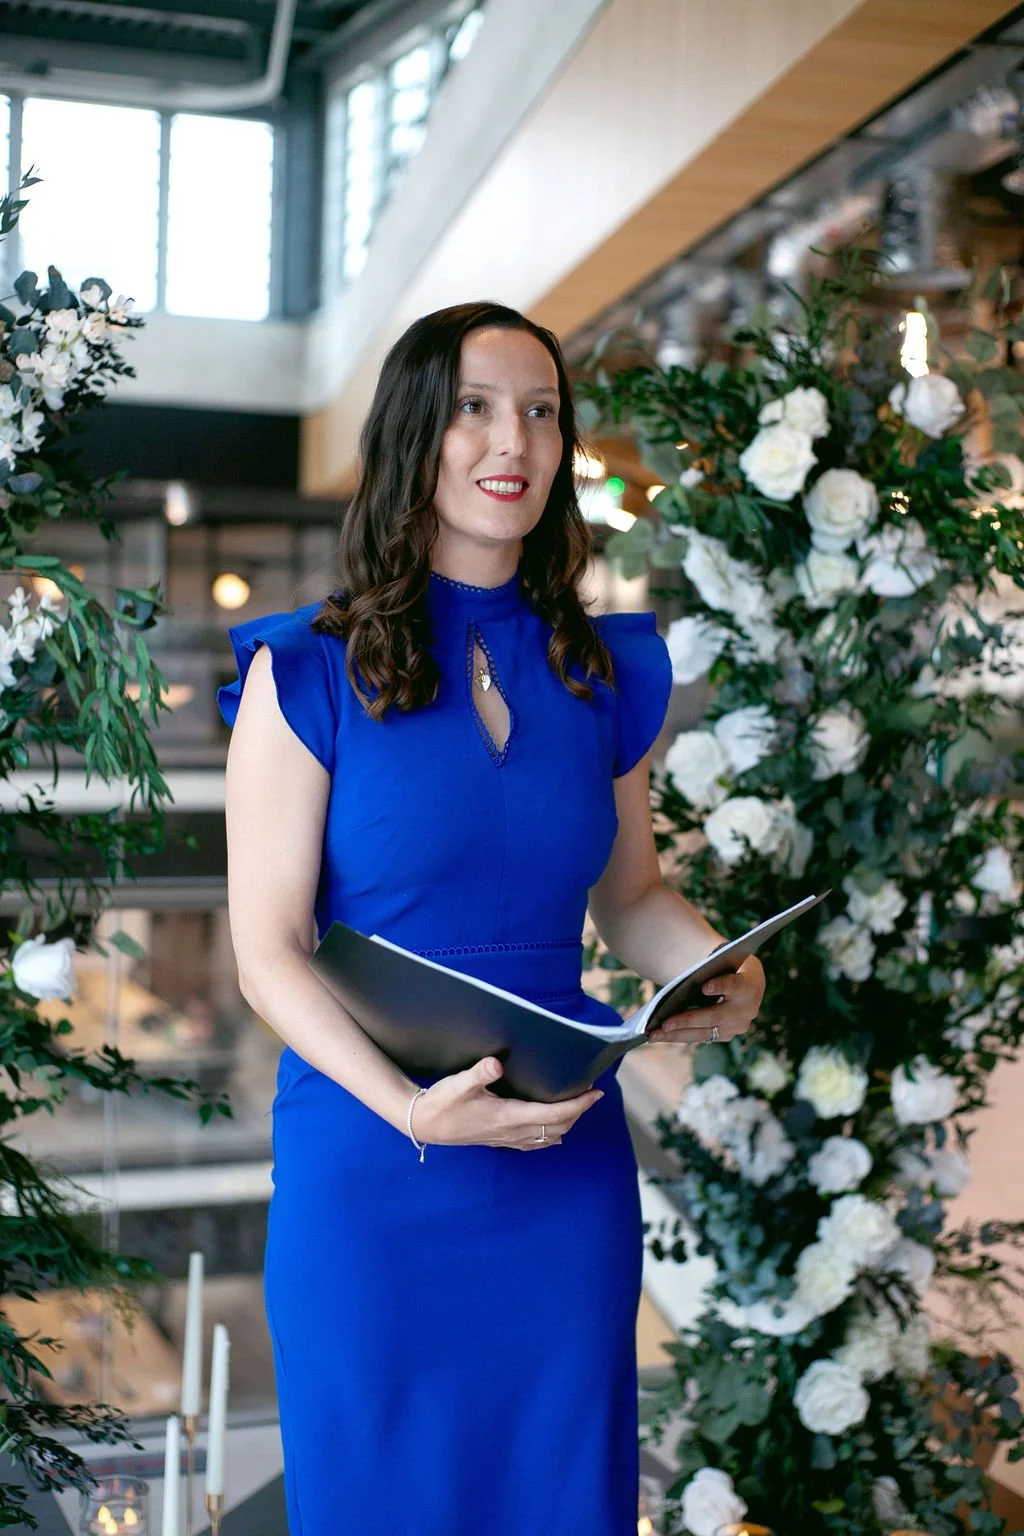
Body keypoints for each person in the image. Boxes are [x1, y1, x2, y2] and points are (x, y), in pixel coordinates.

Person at [217, 301, 765, 1535]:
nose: (510, 437)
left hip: (559, 1163)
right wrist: (413, 1109)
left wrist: (715, 971)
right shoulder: (301, 672)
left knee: (560, 1498)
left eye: (539, 409)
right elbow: (267, 952)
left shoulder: (601, 669)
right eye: (473, 406)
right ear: (417, 431)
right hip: (373, 1159)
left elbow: (629, 899)